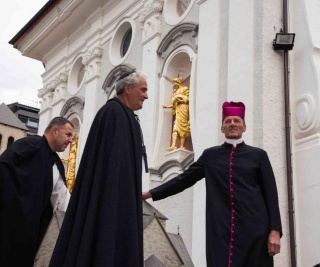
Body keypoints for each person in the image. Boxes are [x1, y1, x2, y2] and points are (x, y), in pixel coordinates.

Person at [143, 101, 282, 267]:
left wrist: (275, 231)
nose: (232, 124)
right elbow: (184, 179)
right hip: (221, 231)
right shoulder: (210, 156)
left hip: (255, 231)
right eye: (227, 121)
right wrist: (150, 193)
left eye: (237, 121)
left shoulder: (258, 156)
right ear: (221, 128)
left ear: (244, 127)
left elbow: (271, 195)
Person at [50, 64, 149, 267]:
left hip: (122, 199)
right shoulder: (112, 114)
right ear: (127, 89)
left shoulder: (125, 116)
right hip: (110, 202)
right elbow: (111, 168)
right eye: (143, 89)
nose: (146, 96)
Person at [0, 117, 74, 267]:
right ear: (54, 131)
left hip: (27, 237)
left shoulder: (54, 161)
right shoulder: (28, 146)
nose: (71, 141)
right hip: (7, 227)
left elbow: (62, 200)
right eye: (68, 135)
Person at [163, 77, 191, 151]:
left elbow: (187, 99)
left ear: (179, 82)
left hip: (183, 108)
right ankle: (173, 145)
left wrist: (179, 97)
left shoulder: (184, 89)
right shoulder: (175, 92)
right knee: (175, 128)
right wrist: (167, 106)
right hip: (178, 109)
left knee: (183, 127)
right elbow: (174, 104)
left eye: (175, 83)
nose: (174, 85)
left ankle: (182, 146)